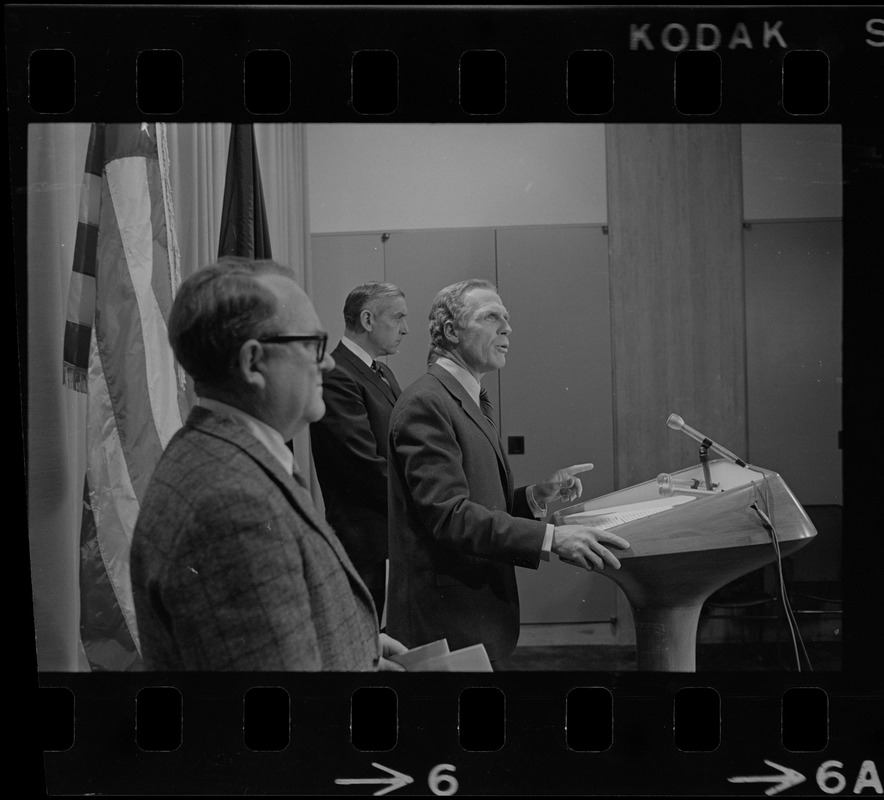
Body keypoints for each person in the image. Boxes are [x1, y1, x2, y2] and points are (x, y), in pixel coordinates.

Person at [129, 258, 407, 671]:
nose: (327, 362)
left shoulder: (233, 454)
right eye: (312, 344)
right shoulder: (231, 504)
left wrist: (358, 648)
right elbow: (278, 713)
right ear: (253, 363)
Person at [386, 278, 630, 666]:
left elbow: (476, 500)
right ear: (451, 331)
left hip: (473, 616)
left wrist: (534, 497)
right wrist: (551, 538)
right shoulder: (427, 402)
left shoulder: (466, 397)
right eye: (491, 317)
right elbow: (449, 517)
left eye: (507, 318)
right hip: (446, 624)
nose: (507, 328)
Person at [310, 282, 408, 621]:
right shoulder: (338, 374)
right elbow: (363, 465)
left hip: (388, 534)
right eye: (397, 318)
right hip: (363, 543)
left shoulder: (381, 372)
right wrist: (423, 500)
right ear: (367, 319)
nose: (405, 329)